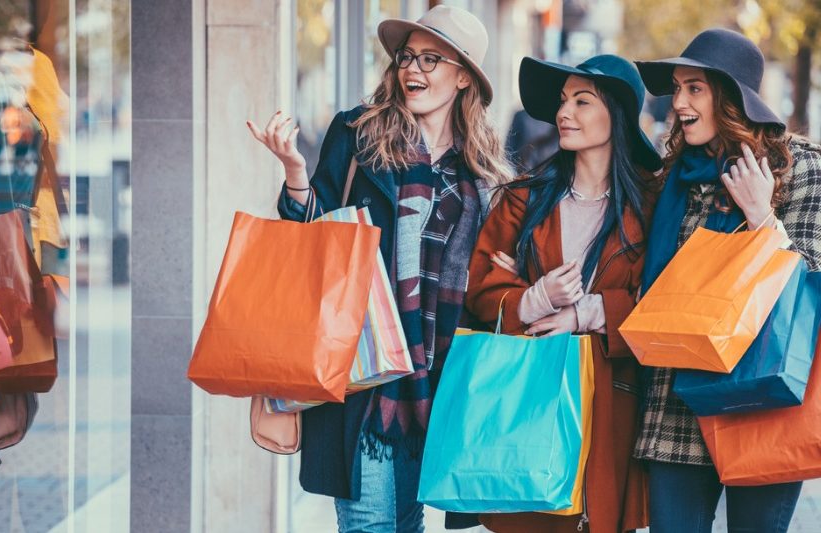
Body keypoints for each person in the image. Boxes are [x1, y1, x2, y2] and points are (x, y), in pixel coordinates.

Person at [246, 5, 512, 531]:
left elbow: (486, 278)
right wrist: (296, 174)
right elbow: (314, 232)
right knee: (370, 524)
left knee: (408, 524)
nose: (413, 69)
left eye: (431, 59)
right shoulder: (359, 135)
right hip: (364, 372)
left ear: (464, 77)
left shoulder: (484, 172)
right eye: (407, 57)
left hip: (440, 382)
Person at [459, 54, 662, 532]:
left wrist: (588, 311)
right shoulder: (522, 197)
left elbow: (662, 302)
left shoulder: (652, 206)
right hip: (528, 398)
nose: (563, 113)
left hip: (612, 405)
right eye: (563, 101)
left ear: (617, 115)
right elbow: (480, 286)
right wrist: (536, 297)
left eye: (582, 101)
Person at [632, 28, 821, 533]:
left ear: (732, 98)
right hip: (676, 398)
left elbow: (810, 279)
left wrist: (763, 220)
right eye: (676, 89)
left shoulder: (799, 167)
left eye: (695, 88)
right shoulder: (673, 175)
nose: (678, 103)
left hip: (760, 396)